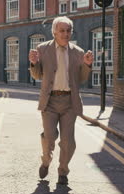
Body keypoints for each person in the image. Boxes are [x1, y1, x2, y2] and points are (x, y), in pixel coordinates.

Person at [28, 16, 94, 185]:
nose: (65, 34)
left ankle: (63, 171)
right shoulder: (43, 49)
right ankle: (45, 160)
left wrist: (87, 65)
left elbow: (81, 79)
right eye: (62, 31)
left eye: (68, 31)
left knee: (68, 141)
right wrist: (34, 63)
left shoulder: (78, 52)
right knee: (49, 137)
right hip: (49, 101)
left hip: (69, 103)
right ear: (54, 32)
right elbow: (37, 75)